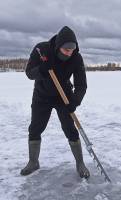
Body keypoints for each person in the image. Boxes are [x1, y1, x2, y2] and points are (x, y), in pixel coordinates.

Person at [20, 26, 90, 179]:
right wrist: (41, 70)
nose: (69, 53)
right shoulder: (42, 50)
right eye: (66, 50)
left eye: (72, 50)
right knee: (36, 127)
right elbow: (29, 73)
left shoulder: (76, 58)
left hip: (63, 96)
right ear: (59, 46)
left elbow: (81, 85)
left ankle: (80, 163)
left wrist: (75, 101)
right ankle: (33, 162)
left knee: (70, 129)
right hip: (42, 95)